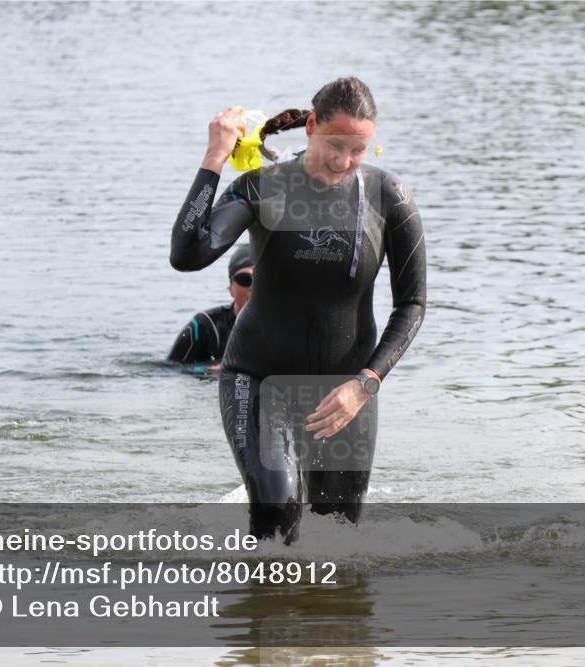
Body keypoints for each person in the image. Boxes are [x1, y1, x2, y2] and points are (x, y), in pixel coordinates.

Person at [170, 77, 426, 542]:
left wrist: (364, 385)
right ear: (311, 126)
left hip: (345, 393)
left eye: (358, 150)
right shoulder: (262, 188)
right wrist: (214, 159)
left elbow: (412, 304)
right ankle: (262, 610)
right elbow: (187, 254)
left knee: (337, 539)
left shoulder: (390, 198)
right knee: (278, 516)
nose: (343, 161)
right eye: (334, 144)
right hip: (259, 379)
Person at [167, 245, 253, 365]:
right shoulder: (206, 326)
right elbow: (169, 370)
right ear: (231, 289)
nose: (252, 287)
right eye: (244, 279)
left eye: (260, 279)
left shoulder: (283, 327)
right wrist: (209, 370)